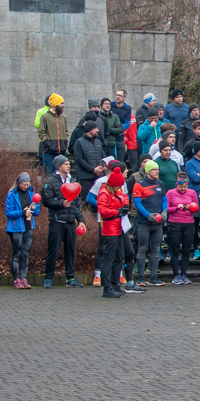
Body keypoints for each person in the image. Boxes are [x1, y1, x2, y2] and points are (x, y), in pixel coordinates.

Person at [43, 155, 86, 288]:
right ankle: (49, 277)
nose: (68, 166)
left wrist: (80, 220)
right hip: (57, 221)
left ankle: (70, 278)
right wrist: (61, 203)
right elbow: (46, 200)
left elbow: (77, 203)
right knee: (53, 250)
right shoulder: (51, 181)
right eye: (66, 164)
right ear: (59, 166)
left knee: (70, 250)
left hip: (70, 222)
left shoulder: (72, 181)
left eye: (69, 163)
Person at [95, 167, 128, 298]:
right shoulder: (104, 193)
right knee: (109, 259)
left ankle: (114, 283)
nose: (120, 187)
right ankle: (107, 286)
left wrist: (123, 206)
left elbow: (124, 198)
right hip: (110, 229)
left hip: (119, 228)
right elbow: (102, 211)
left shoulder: (116, 191)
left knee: (119, 256)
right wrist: (117, 211)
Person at [5, 172, 40, 289]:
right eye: (23, 184)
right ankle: (16, 279)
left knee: (25, 253)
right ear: (19, 183)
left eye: (27, 184)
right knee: (17, 253)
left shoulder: (31, 192)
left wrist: (33, 210)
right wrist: (22, 212)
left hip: (28, 226)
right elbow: (8, 213)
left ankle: (24, 278)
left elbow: (37, 210)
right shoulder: (12, 194)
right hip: (15, 228)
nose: (25, 186)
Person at [166, 172, 199, 285]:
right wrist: (176, 207)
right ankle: (176, 275)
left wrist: (190, 207)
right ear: (177, 184)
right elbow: (166, 208)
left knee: (186, 249)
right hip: (174, 223)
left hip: (188, 223)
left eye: (185, 186)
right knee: (175, 249)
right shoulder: (170, 193)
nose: (183, 189)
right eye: (181, 186)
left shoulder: (192, 192)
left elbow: (196, 208)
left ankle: (184, 274)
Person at [37, 93, 69, 174]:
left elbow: (66, 132)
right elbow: (41, 132)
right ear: (55, 104)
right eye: (61, 103)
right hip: (48, 152)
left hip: (61, 151)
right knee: (48, 175)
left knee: (61, 175)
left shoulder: (63, 118)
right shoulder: (45, 117)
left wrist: (65, 143)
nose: (63, 105)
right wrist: (47, 143)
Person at [73, 121, 106, 186]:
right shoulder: (79, 142)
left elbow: (103, 155)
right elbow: (79, 159)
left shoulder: (98, 142)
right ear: (90, 130)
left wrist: (103, 167)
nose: (98, 130)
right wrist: (93, 170)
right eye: (96, 128)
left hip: (98, 178)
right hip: (85, 178)